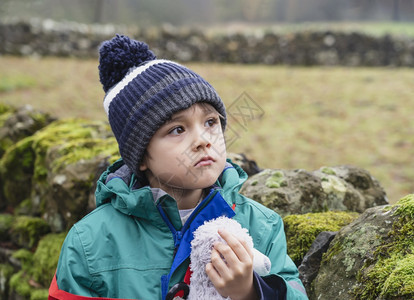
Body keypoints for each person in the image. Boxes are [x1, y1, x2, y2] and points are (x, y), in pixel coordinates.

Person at [49, 34, 308, 300]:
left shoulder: (261, 225)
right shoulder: (90, 242)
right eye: (177, 129)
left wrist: (252, 291)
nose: (203, 141)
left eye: (210, 122)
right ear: (140, 157)